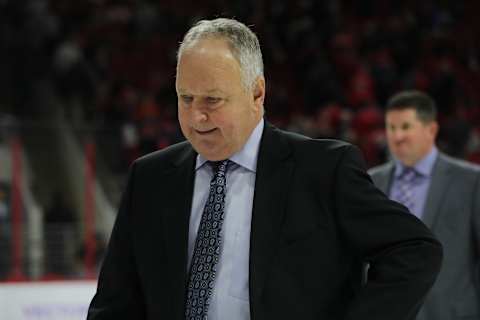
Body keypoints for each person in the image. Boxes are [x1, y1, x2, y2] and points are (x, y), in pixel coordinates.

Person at [87, 18, 442, 320]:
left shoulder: (323, 170)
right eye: (185, 98)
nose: (196, 116)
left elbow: (415, 250)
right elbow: (115, 304)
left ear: (257, 94)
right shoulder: (150, 178)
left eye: (212, 99)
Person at [369, 90, 480, 320]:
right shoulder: (371, 181)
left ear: (431, 129)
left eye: (406, 127)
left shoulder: (471, 181)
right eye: (391, 127)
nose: (397, 136)